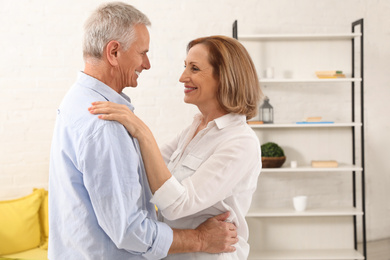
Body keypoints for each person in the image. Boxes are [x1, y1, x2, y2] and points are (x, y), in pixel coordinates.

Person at [48, 3, 238, 260]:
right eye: (142, 53)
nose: (147, 64)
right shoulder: (105, 124)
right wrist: (202, 238)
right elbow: (130, 231)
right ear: (113, 52)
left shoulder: (76, 100)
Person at [88, 35, 263, 259]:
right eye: (185, 67)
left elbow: (177, 205)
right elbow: (146, 171)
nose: (183, 77)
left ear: (225, 77)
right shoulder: (195, 128)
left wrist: (142, 131)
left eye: (195, 69)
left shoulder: (240, 142)